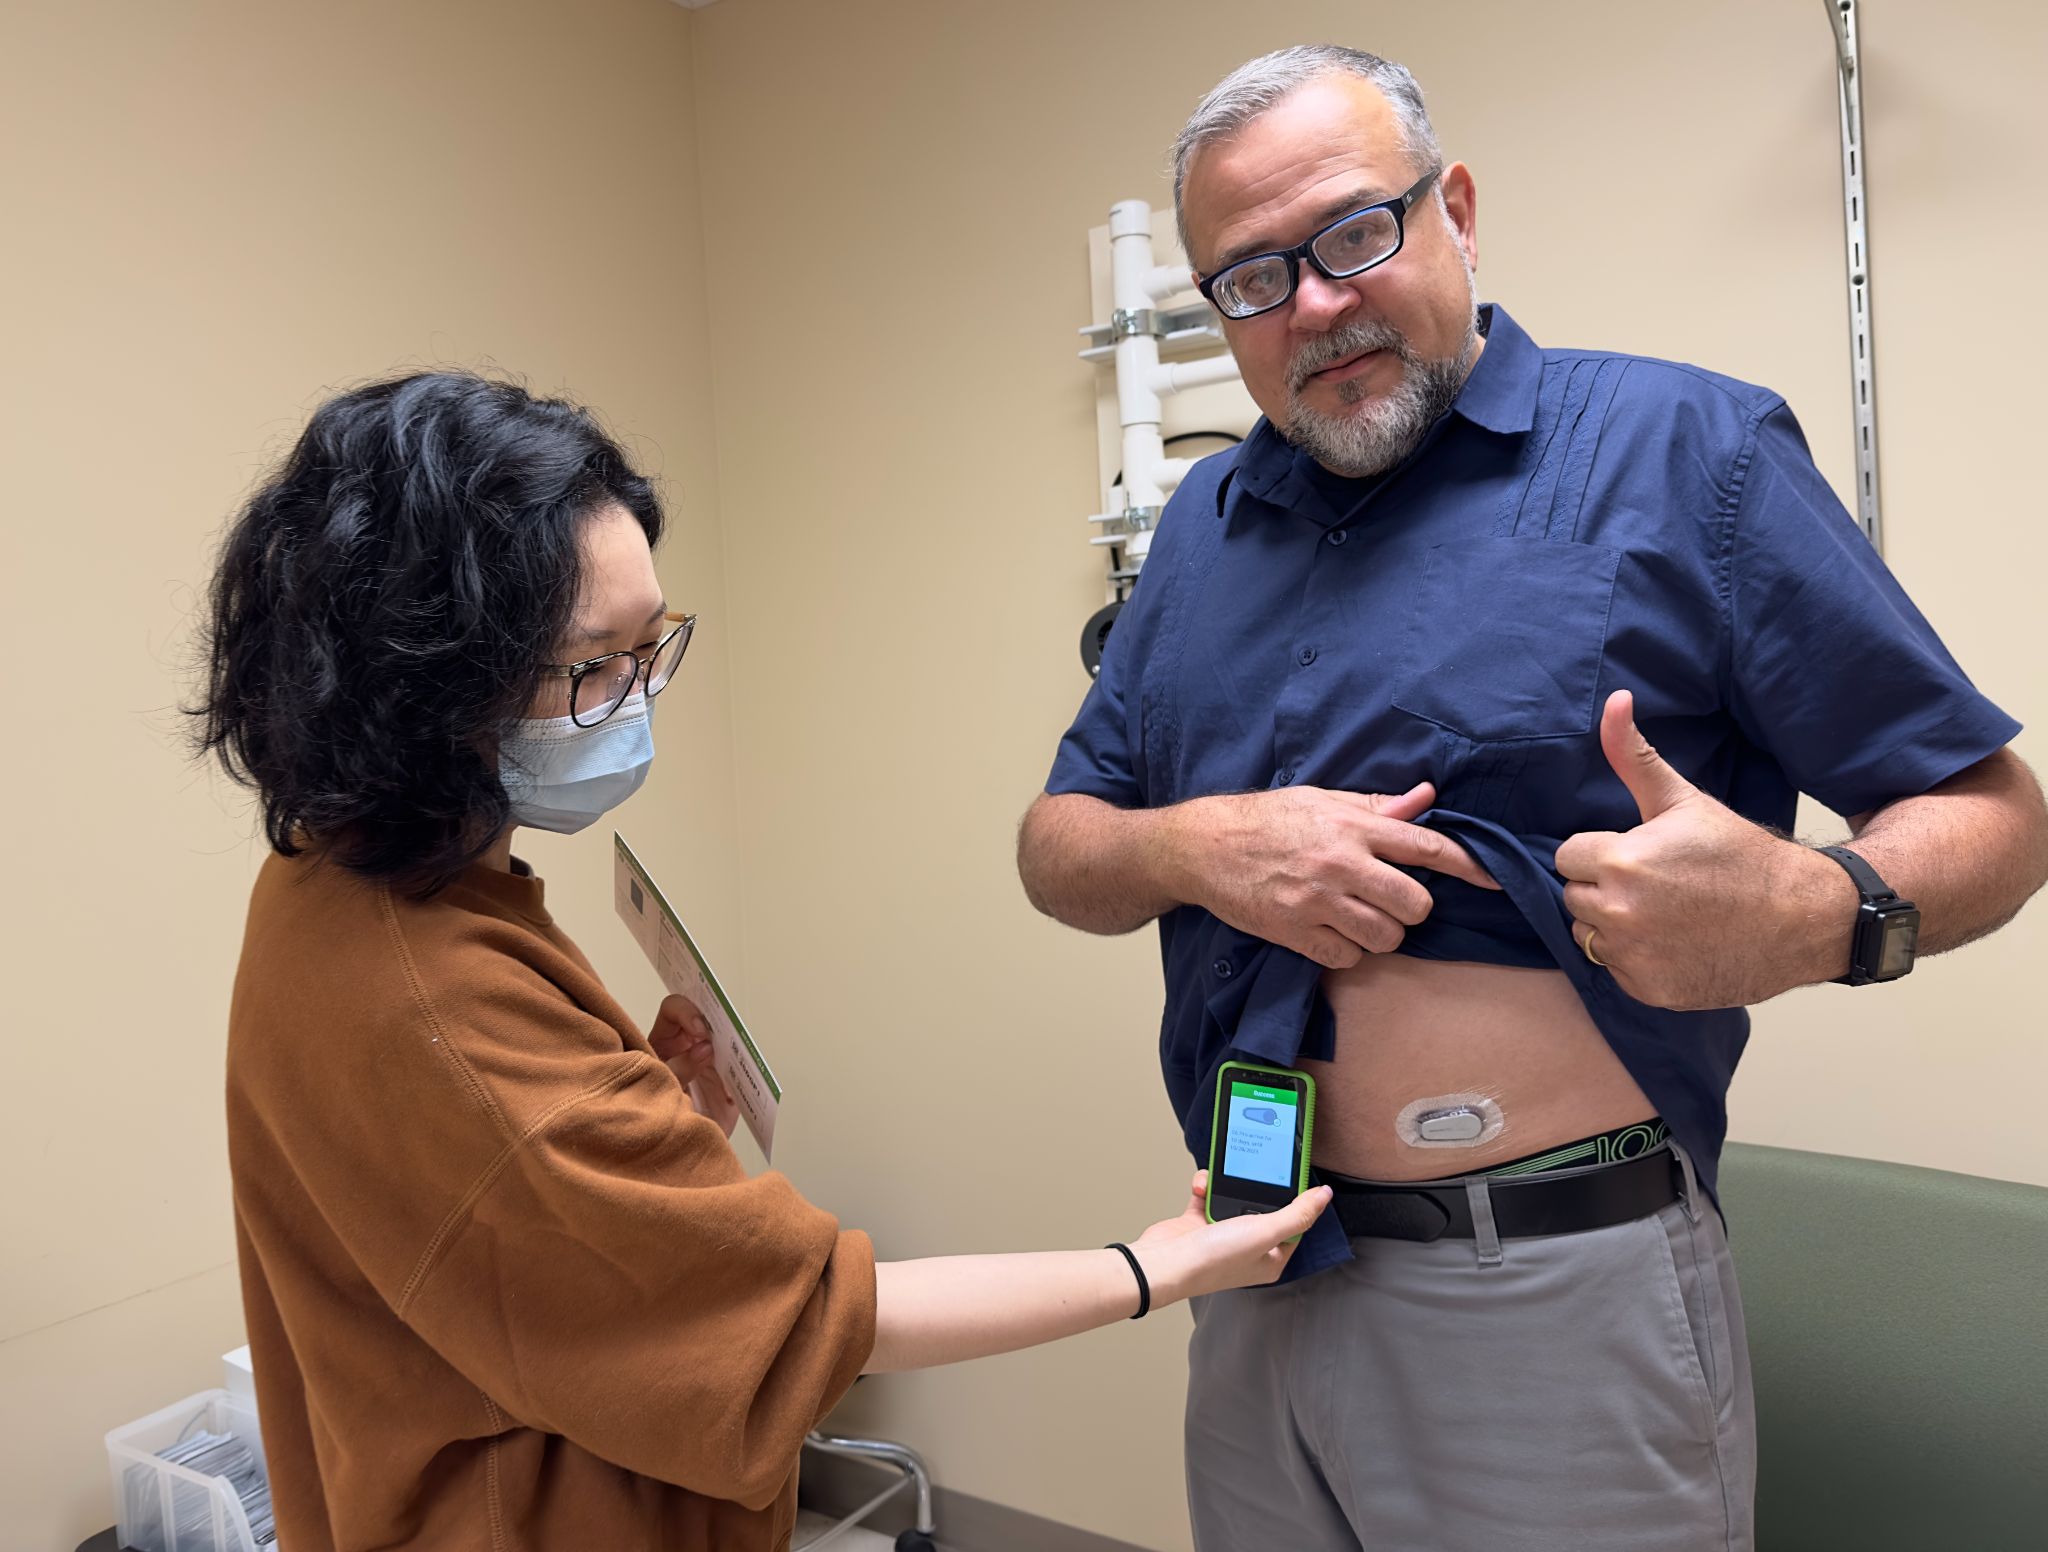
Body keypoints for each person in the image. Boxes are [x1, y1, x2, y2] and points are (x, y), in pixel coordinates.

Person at [1017, 43, 2047, 1552]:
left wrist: (1822, 910)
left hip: (1553, 1286)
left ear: (1460, 214)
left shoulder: (1685, 453)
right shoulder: (1203, 530)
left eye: (1355, 234)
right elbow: (1062, 849)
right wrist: (1199, 846)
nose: (1314, 303)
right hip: (1255, 1256)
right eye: (1249, 280)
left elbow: (1997, 815)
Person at [196, 371, 1330, 1551]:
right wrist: (1148, 1268)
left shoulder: (326, 885)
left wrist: (623, 1126)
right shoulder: (431, 997)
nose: (637, 698)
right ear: (426, 676)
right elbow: (814, 1315)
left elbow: (485, 1230)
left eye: (653, 645)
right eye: (595, 665)